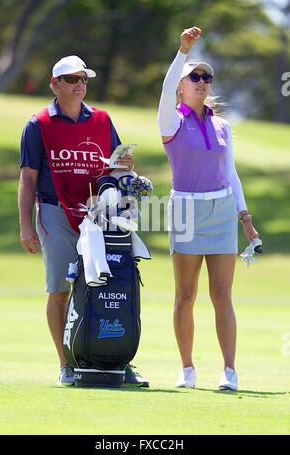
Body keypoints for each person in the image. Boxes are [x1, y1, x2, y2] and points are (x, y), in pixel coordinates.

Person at [18, 55, 149, 388]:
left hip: (99, 215)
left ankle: (117, 360)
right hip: (54, 211)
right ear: (55, 84)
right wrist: (25, 225)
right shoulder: (38, 124)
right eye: (72, 79)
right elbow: (28, 179)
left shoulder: (103, 120)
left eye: (84, 80)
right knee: (61, 289)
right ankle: (67, 364)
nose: (80, 85)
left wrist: (125, 166)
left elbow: (116, 168)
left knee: (111, 285)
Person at [157, 27, 259, 390]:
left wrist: (244, 218)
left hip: (221, 210)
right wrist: (182, 52)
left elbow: (229, 172)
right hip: (184, 211)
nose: (201, 81)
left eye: (206, 77)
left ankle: (229, 371)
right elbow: (167, 88)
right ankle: (187, 369)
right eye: (193, 77)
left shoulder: (222, 126)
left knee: (222, 295)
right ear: (182, 86)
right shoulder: (171, 121)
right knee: (185, 296)